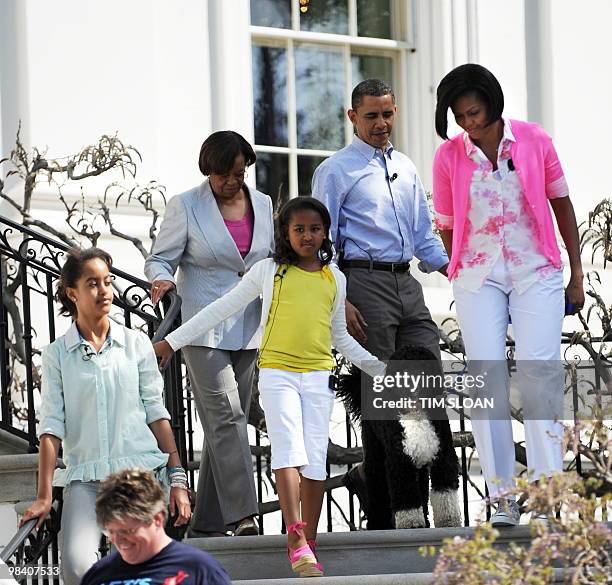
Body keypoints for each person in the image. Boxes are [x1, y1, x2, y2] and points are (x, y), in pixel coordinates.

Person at [154, 197, 385, 577]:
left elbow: (340, 337)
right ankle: (294, 536)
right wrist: (171, 342)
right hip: (278, 375)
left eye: (315, 229)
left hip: (317, 378)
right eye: (299, 229)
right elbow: (220, 309)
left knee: (315, 459)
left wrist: (381, 370)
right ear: (285, 233)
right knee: (288, 450)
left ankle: (309, 542)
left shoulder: (334, 278)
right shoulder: (269, 271)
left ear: (325, 233)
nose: (308, 236)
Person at [432, 63, 584, 526]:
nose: (468, 123)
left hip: (534, 269)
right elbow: (447, 225)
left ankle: (545, 495)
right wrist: (459, 268)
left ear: (493, 103)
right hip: (478, 278)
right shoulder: (448, 157)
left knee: (539, 374)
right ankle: (502, 497)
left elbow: (561, 203)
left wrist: (576, 272)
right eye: (458, 117)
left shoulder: (535, 140)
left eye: (474, 112)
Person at [20, 248, 191, 585]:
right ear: (73, 293)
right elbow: (51, 428)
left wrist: (178, 478)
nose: (105, 291)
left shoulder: (136, 344)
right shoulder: (57, 356)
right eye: (93, 283)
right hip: (85, 478)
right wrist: (43, 496)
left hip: (138, 474)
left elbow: (157, 415)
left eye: (108, 282)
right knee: (76, 566)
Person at [144, 131, 274, 537]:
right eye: (224, 175)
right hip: (202, 329)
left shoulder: (265, 204)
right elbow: (159, 259)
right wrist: (162, 280)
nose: (233, 182)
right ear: (208, 170)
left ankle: (206, 527)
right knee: (226, 417)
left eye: (240, 173)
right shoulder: (186, 205)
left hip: (251, 327)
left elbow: (268, 259)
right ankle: (243, 516)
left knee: (227, 426)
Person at [312, 78, 449, 362]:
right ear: (352, 116)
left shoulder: (406, 166)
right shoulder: (334, 170)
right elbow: (324, 246)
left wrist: (463, 274)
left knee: (428, 376)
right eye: (371, 116)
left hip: (408, 284)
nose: (381, 124)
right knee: (379, 391)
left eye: (387, 114)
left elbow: (423, 237)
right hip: (364, 284)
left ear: (395, 111)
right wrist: (340, 303)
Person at [81, 468, 231, 585]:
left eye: (127, 531)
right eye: (111, 532)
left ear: (157, 519)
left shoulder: (200, 569)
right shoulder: (98, 575)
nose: (119, 540)